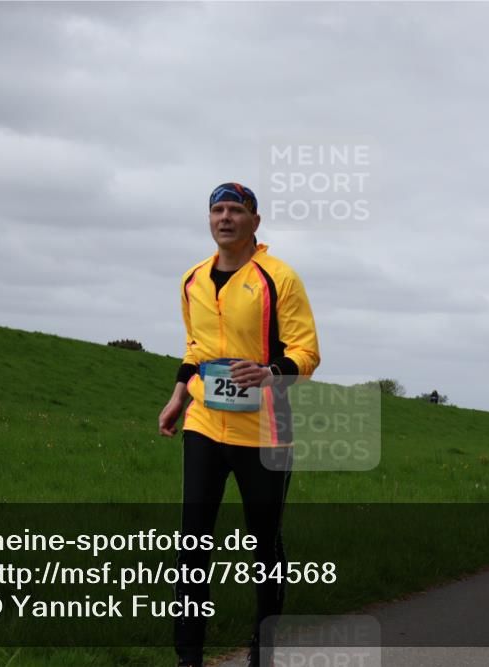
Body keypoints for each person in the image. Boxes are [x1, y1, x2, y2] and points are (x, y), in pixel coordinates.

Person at [158, 182, 320, 667]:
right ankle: (188, 658)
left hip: (266, 429)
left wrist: (270, 372)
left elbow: (306, 353)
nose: (224, 218)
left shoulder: (279, 278)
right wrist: (177, 395)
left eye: (235, 210)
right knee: (193, 542)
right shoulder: (192, 280)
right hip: (205, 424)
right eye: (217, 210)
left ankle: (262, 650)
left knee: (264, 544)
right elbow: (196, 349)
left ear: (255, 221)